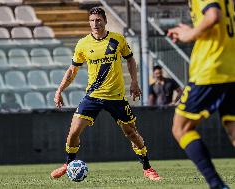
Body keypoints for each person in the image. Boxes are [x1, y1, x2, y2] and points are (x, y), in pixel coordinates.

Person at [50, 7, 161, 181]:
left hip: (116, 97)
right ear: (89, 22)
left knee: (131, 133)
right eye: (92, 20)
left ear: (105, 21)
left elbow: (130, 59)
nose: (95, 24)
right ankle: (69, 163)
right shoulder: (83, 44)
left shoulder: (118, 40)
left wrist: (134, 82)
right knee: (73, 132)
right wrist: (59, 90)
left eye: (98, 20)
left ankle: (147, 168)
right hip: (93, 96)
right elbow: (72, 70)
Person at [167, 0, 235, 187]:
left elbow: (213, 16)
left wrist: (189, 34)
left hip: (211, 68)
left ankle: (217, 185)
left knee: (181, 128)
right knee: (233, 128)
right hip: (230, 66)